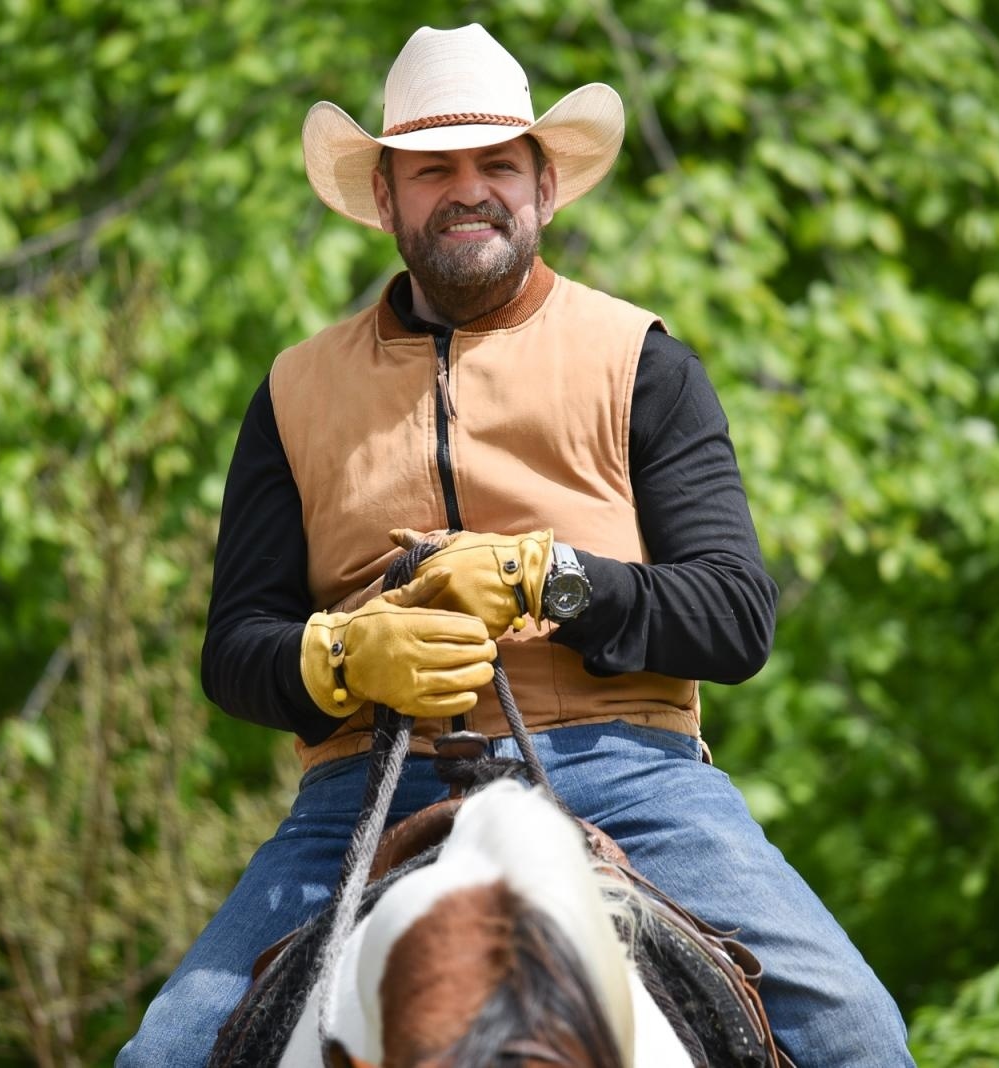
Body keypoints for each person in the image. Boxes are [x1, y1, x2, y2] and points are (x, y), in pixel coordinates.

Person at [119, 23, 914, 1067]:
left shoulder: (642, 361)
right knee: (160, 1057)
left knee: (858, 1036)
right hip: (363, 789)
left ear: (544, 188)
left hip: (631, 779)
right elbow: (235, 651)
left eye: (498, 162)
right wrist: (341, 657)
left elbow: (734, 615)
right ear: (385, 199)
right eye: (434, 168)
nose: (469, 189)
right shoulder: (290, 393)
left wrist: (556, 577)